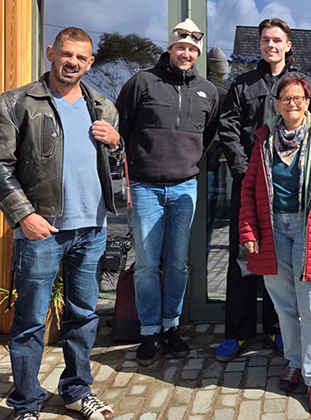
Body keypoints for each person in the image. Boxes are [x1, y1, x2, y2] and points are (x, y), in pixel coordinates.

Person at [0, 27, 119, 420]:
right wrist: (24, 215)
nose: (72, 62)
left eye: (81, 57)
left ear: (90, 63)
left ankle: (77, 390)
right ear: (50, 53)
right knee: (30, 321)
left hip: (92, 228)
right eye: (66, 53)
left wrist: (117, 144)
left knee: (84, 315)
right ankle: (26, 403)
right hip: (43, 231)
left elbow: (115, 170)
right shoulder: (18, 102)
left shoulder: (103, 106)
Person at [238, 75, 311, 414]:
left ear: (308, 101)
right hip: (273, 230)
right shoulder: (264, 141)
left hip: (310, 230)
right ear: (277, 103)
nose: (292, 104)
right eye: (285, 98)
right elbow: (249, 188)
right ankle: (295, 362)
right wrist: (248, 231)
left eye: (298, 97)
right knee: (285, 305)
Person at [115, 19, 219, 366]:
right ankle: (148, 331)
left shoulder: (208, 91)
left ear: (197, 53)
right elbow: (122, 130)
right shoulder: (142, 82)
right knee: (146, 264)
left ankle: (171, 326)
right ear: (170, 49)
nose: (186, 53)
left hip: (185, 186)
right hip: (146, 187)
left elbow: (208, 136)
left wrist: (187, 162)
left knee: (177, 263)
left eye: (192, 49)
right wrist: (128, 179)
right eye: (181, 47)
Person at [216, 18, 311, 361]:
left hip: (288, 191)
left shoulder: (306, 86)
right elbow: (228, 128)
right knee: (244, 257)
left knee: (282, 262)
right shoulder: (242, 85)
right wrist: (242, 169)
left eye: (277, 40)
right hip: (251, 185)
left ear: (289, 45)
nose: (270, 45)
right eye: (265, 40)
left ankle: (279, 329)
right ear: (259, 45)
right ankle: (238, 332)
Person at [206, 46, 230, 246]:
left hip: (204, 161)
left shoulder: (199, 89)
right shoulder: (223, 93)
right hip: (215, 159)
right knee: (208, 217)